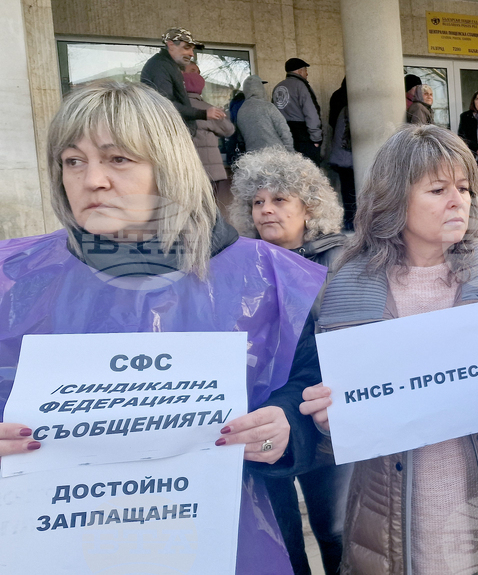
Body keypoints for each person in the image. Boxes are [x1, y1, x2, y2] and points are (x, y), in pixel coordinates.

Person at [0, 81, 329, 575]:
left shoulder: (264, 275)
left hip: (244, 542)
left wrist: (287, 425)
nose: (92, 180)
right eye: (73, 161)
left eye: (118, 159)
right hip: (65, 548)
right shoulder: (16, 279)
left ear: (168, 166)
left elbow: (309, 385)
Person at [299, 125, 478, 575]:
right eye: (438, 189)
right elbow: (336, 428)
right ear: (393, 198)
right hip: (390, 531)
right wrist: (331, 421)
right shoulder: (345, 291)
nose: (458, 200)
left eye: (464, 188)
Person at [229, 147, 349, 575]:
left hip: (326, 416)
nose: (265, 210)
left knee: (336, 532)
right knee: (281, 541)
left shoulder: (345, 260)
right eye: (257, 202)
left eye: (279, 199)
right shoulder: (239, 265)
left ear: (309, 206)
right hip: (264, 419)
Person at [140, 27, 225, 135]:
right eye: (187, 47)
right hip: (165, 136)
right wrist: (203, 113)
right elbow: (166, 104)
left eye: (192, 49)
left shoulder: (169, 66)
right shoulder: (160, 66)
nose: (191, 54)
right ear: (170, 44)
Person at [183, 63, 235, 196]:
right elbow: (229, 130)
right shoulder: (207, 108)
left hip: (183, 172)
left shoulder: (172, 108)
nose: (198, 75)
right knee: (209, 212)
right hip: (210, 173)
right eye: (194, 71)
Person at [272, 58, 324, 165]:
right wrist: (316, 139)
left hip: (283, 138)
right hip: (304, 138)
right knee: (309, 175)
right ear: (300, 71)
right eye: (305, 70)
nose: (307, 73)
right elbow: (311, 113)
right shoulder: (301, 86)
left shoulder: (277, 87)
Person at [238, 75, 295, 153]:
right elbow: (284, 131)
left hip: (253, 157)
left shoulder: (241, 111)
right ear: (260, 89)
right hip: (275, 154)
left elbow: (240, 139)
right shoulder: (268, 107)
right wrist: (290, 151)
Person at [327, 77, 356, 231]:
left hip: (341, 153)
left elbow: (332, 123)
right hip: (349, 154)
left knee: (346, 188)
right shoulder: (353, 105)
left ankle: (349, 220)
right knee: (353, 188)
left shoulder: (337, 97)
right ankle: (353, 220)